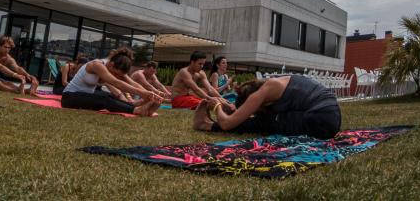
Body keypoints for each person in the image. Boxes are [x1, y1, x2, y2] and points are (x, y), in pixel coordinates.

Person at [194, 75, 342, 140]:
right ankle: (208, 125)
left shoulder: (260, 94)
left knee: (263, 122)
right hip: (330, 115)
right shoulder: (276, 83)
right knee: (266, 119)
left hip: (320, 119)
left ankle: (206, 126)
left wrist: (218, 106)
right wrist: (233, 109)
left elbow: (227, 124)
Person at [61, 47, 164, 116]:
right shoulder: (97, 65)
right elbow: (116, 82)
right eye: (116, 73)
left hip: (85, 97)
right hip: (69, 97)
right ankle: (137, 110)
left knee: (110, 96)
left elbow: (132, 83)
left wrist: (151, 95)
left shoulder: (113, 67)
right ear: (111, 64)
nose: (117, 76)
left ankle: (136, 106)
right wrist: (142, 93)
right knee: (104, 98)